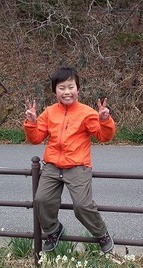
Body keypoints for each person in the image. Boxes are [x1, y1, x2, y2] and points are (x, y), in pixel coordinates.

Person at [24, 67, 116, 253]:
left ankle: (101, 233)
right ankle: (53, 230)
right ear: (55, 91)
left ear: (78, 89)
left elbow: (104, 136)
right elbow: (35, 138)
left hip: (77, 165)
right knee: (41, 200)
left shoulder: (86, 112)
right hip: (52, 165)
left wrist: (104, 120)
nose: (67, 92)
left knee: (82, 206)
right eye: (61, 88)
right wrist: (32, 123)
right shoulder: (49, 112)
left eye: (70, 87)